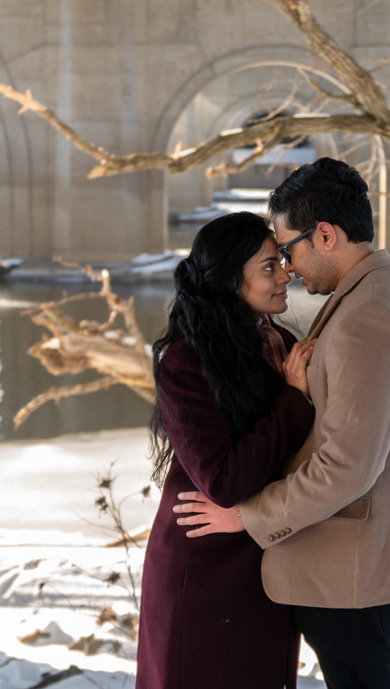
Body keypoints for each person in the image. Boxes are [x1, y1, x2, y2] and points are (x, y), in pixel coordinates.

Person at [174, 158, 390, 688]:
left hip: (351, 569)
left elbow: (346, 468)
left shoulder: (366, 315)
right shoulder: (379, 290)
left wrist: (247, 518)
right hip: (360, 559)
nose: (288, 267)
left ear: (324, 234)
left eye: (288, 249)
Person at [136, 211, 319, 689]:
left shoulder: (279, 341)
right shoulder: (186, 359)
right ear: (228, 278)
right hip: (205, 569)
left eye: (281, 260)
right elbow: (223, 481)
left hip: (262, 562)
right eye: (267, 267)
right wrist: (294, 399)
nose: (285, 274)